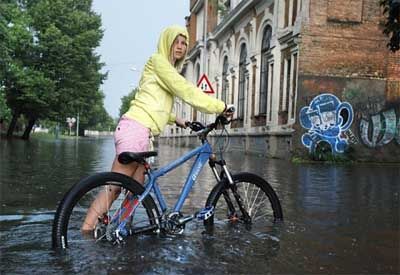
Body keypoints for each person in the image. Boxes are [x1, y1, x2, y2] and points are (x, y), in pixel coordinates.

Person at [82, 25, 233, 231]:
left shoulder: (165, 70)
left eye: (184, 43)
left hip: (139, 131)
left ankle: (120, 231)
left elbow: (155, 104)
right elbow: (185, 90)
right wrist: (221, 107)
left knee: (135, 192)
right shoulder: (158, 61)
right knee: (115, 188)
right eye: (176, 42)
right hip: (135, 129)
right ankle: (87, 232)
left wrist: (181, 121)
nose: (180, 47)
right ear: (166, 42)